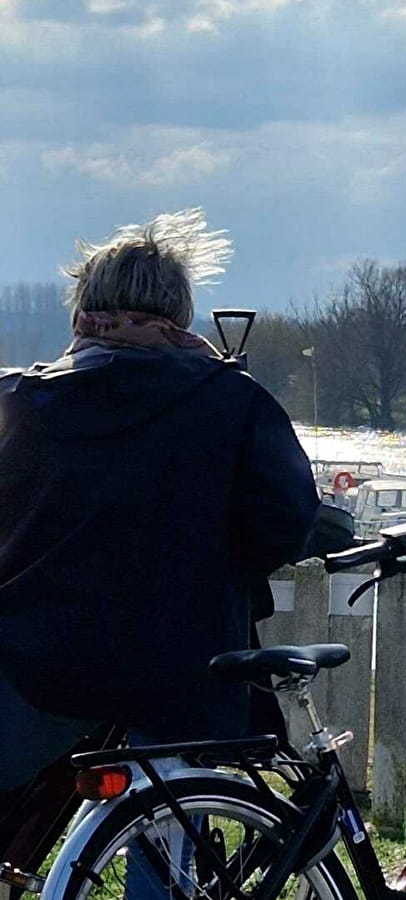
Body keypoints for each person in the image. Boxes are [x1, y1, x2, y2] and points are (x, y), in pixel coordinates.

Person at [0, 209, 320, 798]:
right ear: (179, 314)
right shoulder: (233, 400)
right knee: (170, 817)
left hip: (40, 659)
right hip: (183, 661)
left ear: (83, 309)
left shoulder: (22, 401)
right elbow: (287, 520)